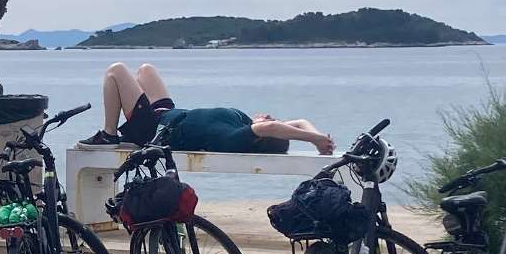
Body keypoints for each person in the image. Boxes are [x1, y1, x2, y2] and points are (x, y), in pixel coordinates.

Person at [87, 60, 334, 155]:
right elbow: (300, 122)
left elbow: (271, 128)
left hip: (152, 129)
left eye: (271, 120)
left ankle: (109, 134)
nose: (270, 116)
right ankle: (113, 128)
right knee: (146, 70)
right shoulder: (245, 126)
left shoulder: (238, 138)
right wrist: (320, 139)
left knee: (116, 71)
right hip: (166, 115)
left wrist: (315, 140)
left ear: (262, 136)